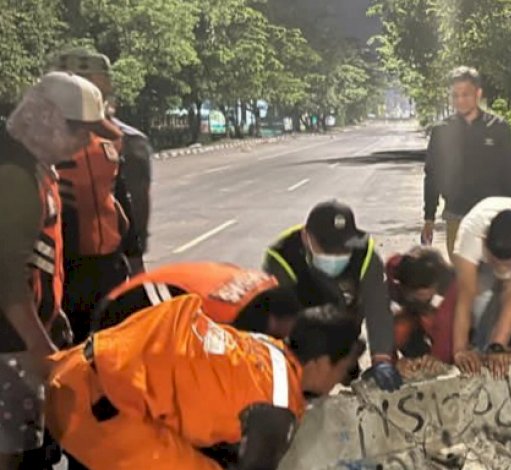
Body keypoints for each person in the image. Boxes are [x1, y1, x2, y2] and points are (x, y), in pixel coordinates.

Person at [45, 296, 364, 469]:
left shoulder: (262, 347)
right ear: (321, 364)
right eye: (345, 370)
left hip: (73, 370)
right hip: (97, 414)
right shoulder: (278, 405)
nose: (341, 382)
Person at [1, 71, 119, 469]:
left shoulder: (36, 165)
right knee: (12, 451)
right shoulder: (15, 176)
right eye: (80, 131)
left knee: (29, 446)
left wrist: (54, 312)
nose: (87, 142)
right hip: (9, 344)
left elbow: (36, 256)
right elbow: (6, 281)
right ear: (47, 120)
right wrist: (40, 346)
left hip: (23, 334)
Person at [48, 48, 151, 343]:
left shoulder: (108, 137)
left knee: (113, 351)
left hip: (109, 267)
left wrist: (136, 262)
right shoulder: (39, 141)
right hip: (66, 271)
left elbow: (118, 198)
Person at [263, 200, 403, 391]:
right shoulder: (282, 258)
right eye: (327, 249)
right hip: (302, 322)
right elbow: (278, 324)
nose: (336, 256)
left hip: (346, 319)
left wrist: (382, 358)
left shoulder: (365, 256)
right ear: (306, 238)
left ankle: (345, 361)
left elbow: (377, 308)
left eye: (342, 250)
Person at [422, 66, 511, 254]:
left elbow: (510, 174)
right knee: (462, 276)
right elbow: (432, 175)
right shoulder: (441, 131)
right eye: (455, 95)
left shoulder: (498, 128)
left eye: (465, 94)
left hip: (492, 218)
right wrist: (429, 218)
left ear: (478, 94)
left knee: (492, 277)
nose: (460, 100)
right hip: (456, 216)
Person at [451, 197, 511, 378]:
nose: (503, 272)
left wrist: (497, 346)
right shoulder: (469, 238)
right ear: (484, 245)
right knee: (481, 310)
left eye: (508, 266)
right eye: (497, 264)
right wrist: (459, 350)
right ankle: (479, 365)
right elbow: (465, 298)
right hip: (481, 244)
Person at [92, 262, 302, 339]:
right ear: (274, 320)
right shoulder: (226, 320)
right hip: (124, 310)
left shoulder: (263, 285)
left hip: (159, 294)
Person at [386, 246, 457, 363]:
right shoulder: (394, 272)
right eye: (416, 295)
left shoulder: (450, 281)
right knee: (398, 327)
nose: (421, 298)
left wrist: (436, 359)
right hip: (411, 312)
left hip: (451, 324)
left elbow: (446, 324)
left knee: (437, 321)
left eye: (426, 293)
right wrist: (391, 363)